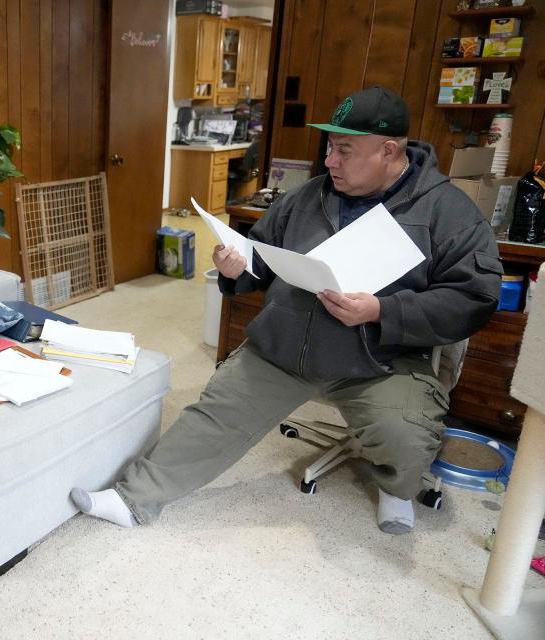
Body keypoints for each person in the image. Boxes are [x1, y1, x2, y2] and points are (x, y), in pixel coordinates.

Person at [71, 86, 502, 534]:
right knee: (215, 412)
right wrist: (236, 265)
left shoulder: (447, 211)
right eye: (330, 148)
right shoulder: (307, 196)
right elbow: (262, 258)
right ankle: (133, 499)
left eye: (344, 150)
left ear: (388, 150)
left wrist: (382, 311)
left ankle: (396, 488)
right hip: (288, 343)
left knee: (403, 435)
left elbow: (475, 298)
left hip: (380, 358)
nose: (330, 161)